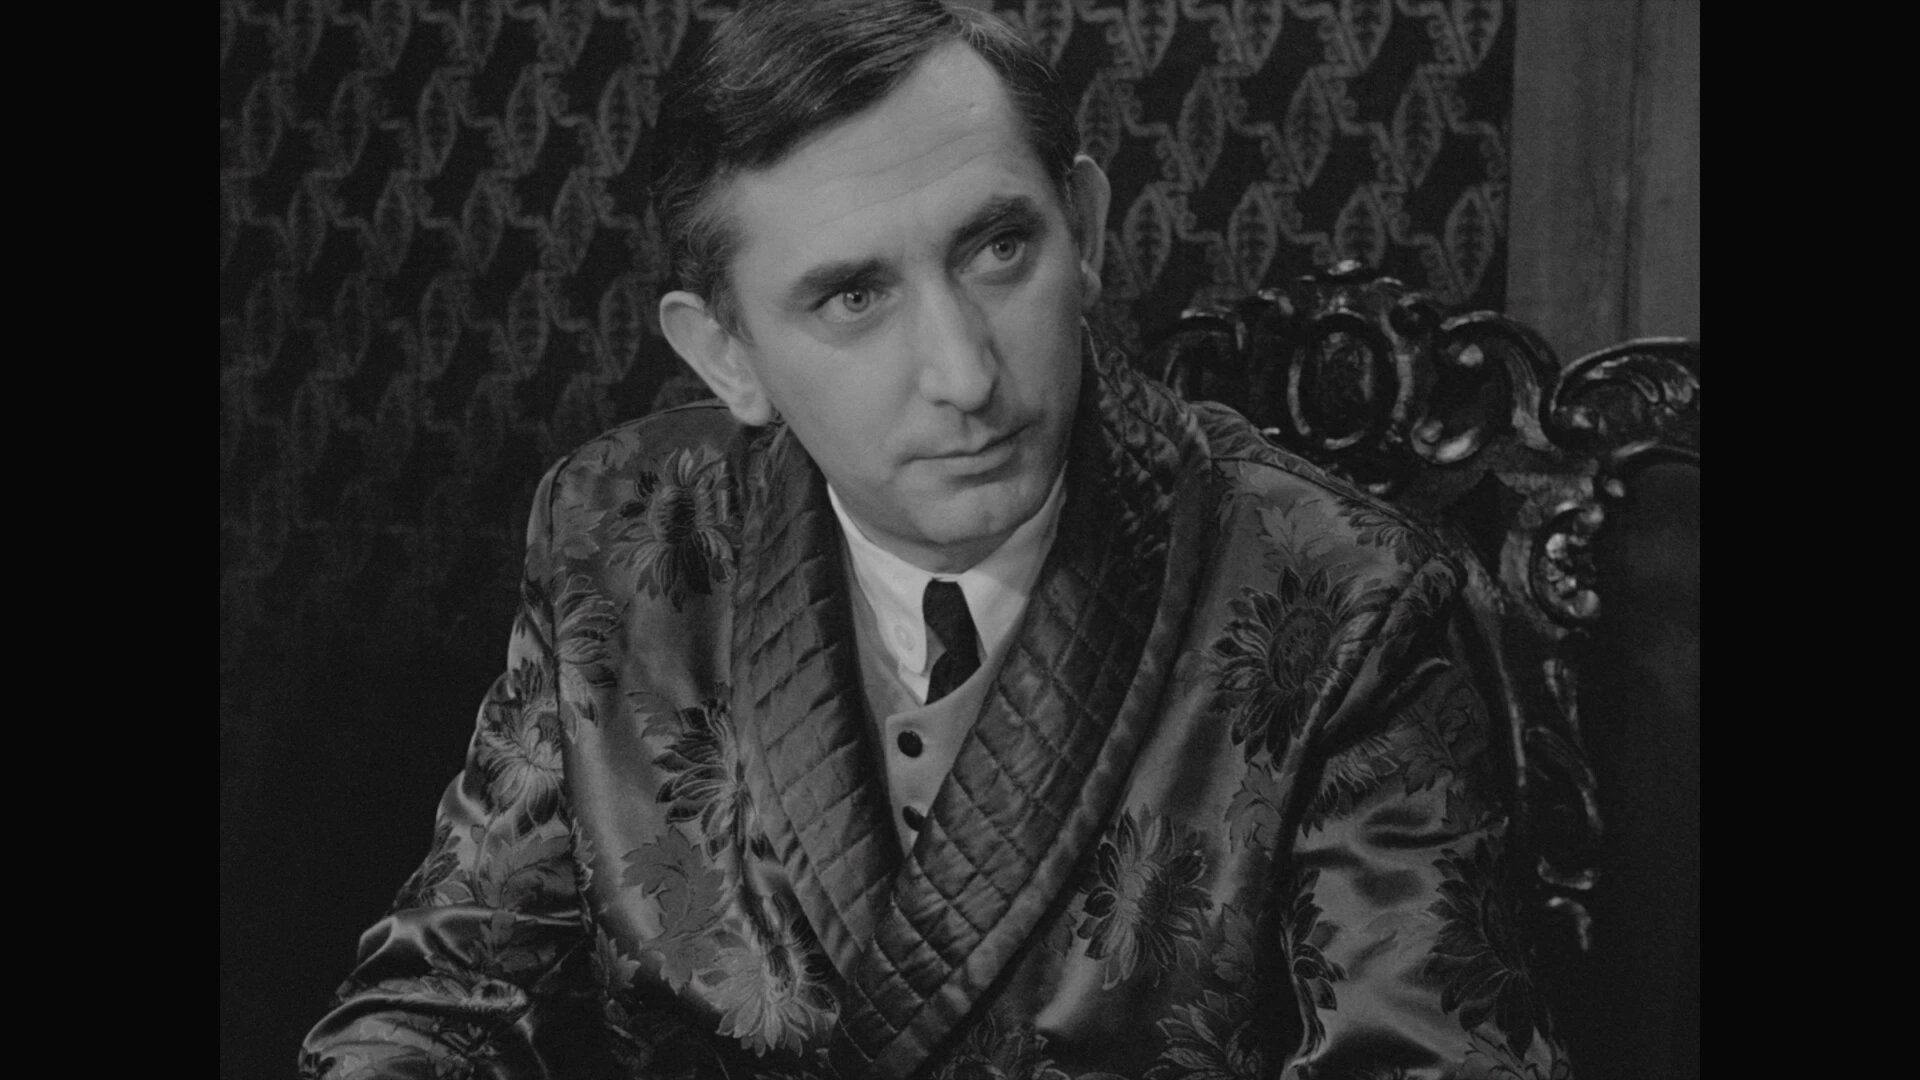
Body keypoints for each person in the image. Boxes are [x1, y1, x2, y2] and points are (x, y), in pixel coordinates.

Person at [302, 2, 1571, 1077]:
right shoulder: (621, 536)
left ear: (1086, 230)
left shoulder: (1356, 603)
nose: (965, 374)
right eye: (854, 297)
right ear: (727, 354)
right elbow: (446, 997)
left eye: (999, 248)